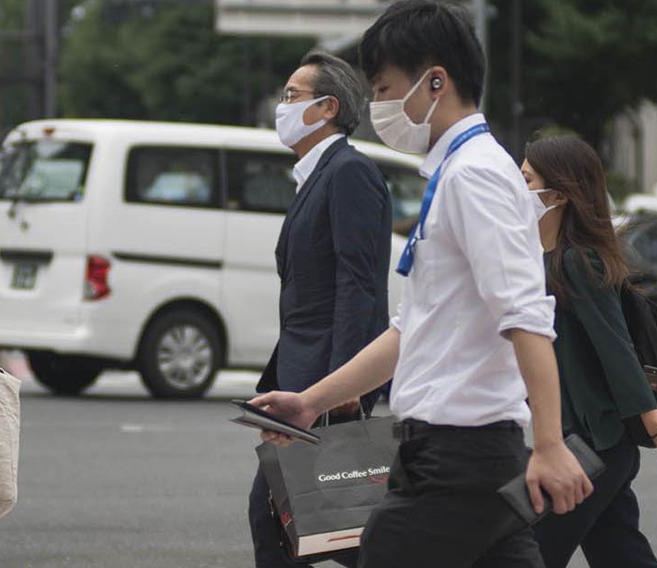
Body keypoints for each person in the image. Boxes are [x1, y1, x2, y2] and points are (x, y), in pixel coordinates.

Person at [250, 2, 592, 567]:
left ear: (436, 81)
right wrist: (311, 403)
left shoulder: (476, 175)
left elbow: (527, 316)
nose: (378, 106)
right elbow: (412, 329)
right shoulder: (455, 173)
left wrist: (552, 445)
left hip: (458, 457)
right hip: (459, 453)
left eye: (384, 88)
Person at [521, 135, 657, 568]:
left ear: (559, 195)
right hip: (587, 444)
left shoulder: (577, 263)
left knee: (529, 552)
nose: (515, 186)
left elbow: (616, 349)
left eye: (525, 179)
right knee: (622, 555)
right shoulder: (538, 258)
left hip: (595, 446)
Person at [248, 51, 393, 568]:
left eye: (292, 96)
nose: (282, 107)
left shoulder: (350, 172)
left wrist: (345, 385)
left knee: (289, 520)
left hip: (327, 384)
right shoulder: (317, 174)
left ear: (326, 108)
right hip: (308, 375)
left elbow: (359, 284)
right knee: (325, 524)